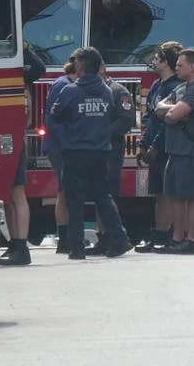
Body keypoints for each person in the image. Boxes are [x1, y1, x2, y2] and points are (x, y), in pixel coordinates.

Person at [47, 47, 132, 259]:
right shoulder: (106, 91)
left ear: (82, 67)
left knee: (74, 199)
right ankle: (120, 239)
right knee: (103, 197)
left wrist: (68, 137)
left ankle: (77, 247)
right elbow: (110, 116)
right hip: (101, 152)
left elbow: (55, 117)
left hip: (75, 151)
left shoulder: (70, 91)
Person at [0, 44, 47, 266]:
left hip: (13, 136)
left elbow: (39, 68)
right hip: (6, 135)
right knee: (7, 193)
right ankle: (14, 244)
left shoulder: (21, 73)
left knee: (16, 192)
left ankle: (21, 244)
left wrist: (22, 48)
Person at [152, 48, 194, 254]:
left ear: (192, 66)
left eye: (180, 64)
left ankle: (192, 241)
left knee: (192, 195)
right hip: (174, 150)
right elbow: (157, 107)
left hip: (190, 150)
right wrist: (170, 110)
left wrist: (171, 111)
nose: (176, 67)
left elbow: (172, 116)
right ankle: (177, 238)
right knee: (174, 195)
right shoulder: (181, 88)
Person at [134, 41, 182, 253]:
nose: (153, 62)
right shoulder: (156, 85)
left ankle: (169, 235)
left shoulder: (175, 87)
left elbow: (167, 120)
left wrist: (155, 145)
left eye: (156, 58)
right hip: (153, 143)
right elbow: (149, 115)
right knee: (158, 194)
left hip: (168, 145)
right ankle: (160, 233)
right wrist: (143, 143)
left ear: (166, 62)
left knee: (168, 193)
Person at [86, 64, 137, 255]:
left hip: (111, 149)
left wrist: (102, 133)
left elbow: (126, 120)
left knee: (107, 194)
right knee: (99, 194)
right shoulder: (90, 92)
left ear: (102, 69)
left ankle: (116, 238)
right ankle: (104, 236)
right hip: (95, 149)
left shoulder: (118, 91)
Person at [46, 58, 77, 253]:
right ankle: (65, 238)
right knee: (65, 190)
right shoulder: (63, 85)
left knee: (64, 190)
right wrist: (69, 141)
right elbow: (53, 118)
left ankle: (67, 237)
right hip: (60, 146)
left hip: (62, 144)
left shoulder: (65, 84)